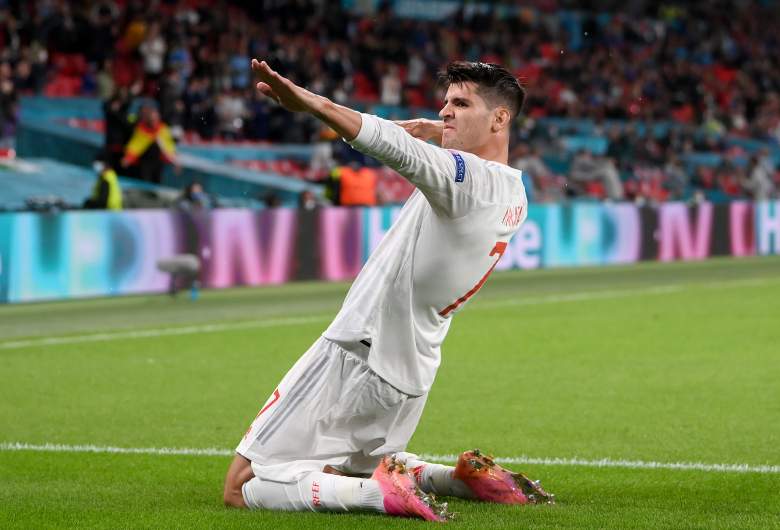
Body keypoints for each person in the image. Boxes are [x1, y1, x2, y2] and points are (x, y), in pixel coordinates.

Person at [223, 60, 554, 522]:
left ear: (500, 119)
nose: (445, 113)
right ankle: (451, 478)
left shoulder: (465, 182)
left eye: (461, 104)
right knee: (348, 467)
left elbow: (393, 146)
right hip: (412, 371)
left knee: (242, 486)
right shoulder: (513, 192)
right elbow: (445, 149)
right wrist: (432, 128)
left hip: (359, 354)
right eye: (444, 104)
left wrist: (311, 103)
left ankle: (381, 497)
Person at [121, 104, 178, 184]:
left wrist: (175, 161)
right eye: (152, 118)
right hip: (145, 163)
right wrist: (128, 158)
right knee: (144, 182)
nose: (154, 120)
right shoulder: (142, 129)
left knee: (157, 183)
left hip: (158, 163)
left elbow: (168, 146)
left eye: (156, 118)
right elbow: (135, 145)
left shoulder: (163, 129)